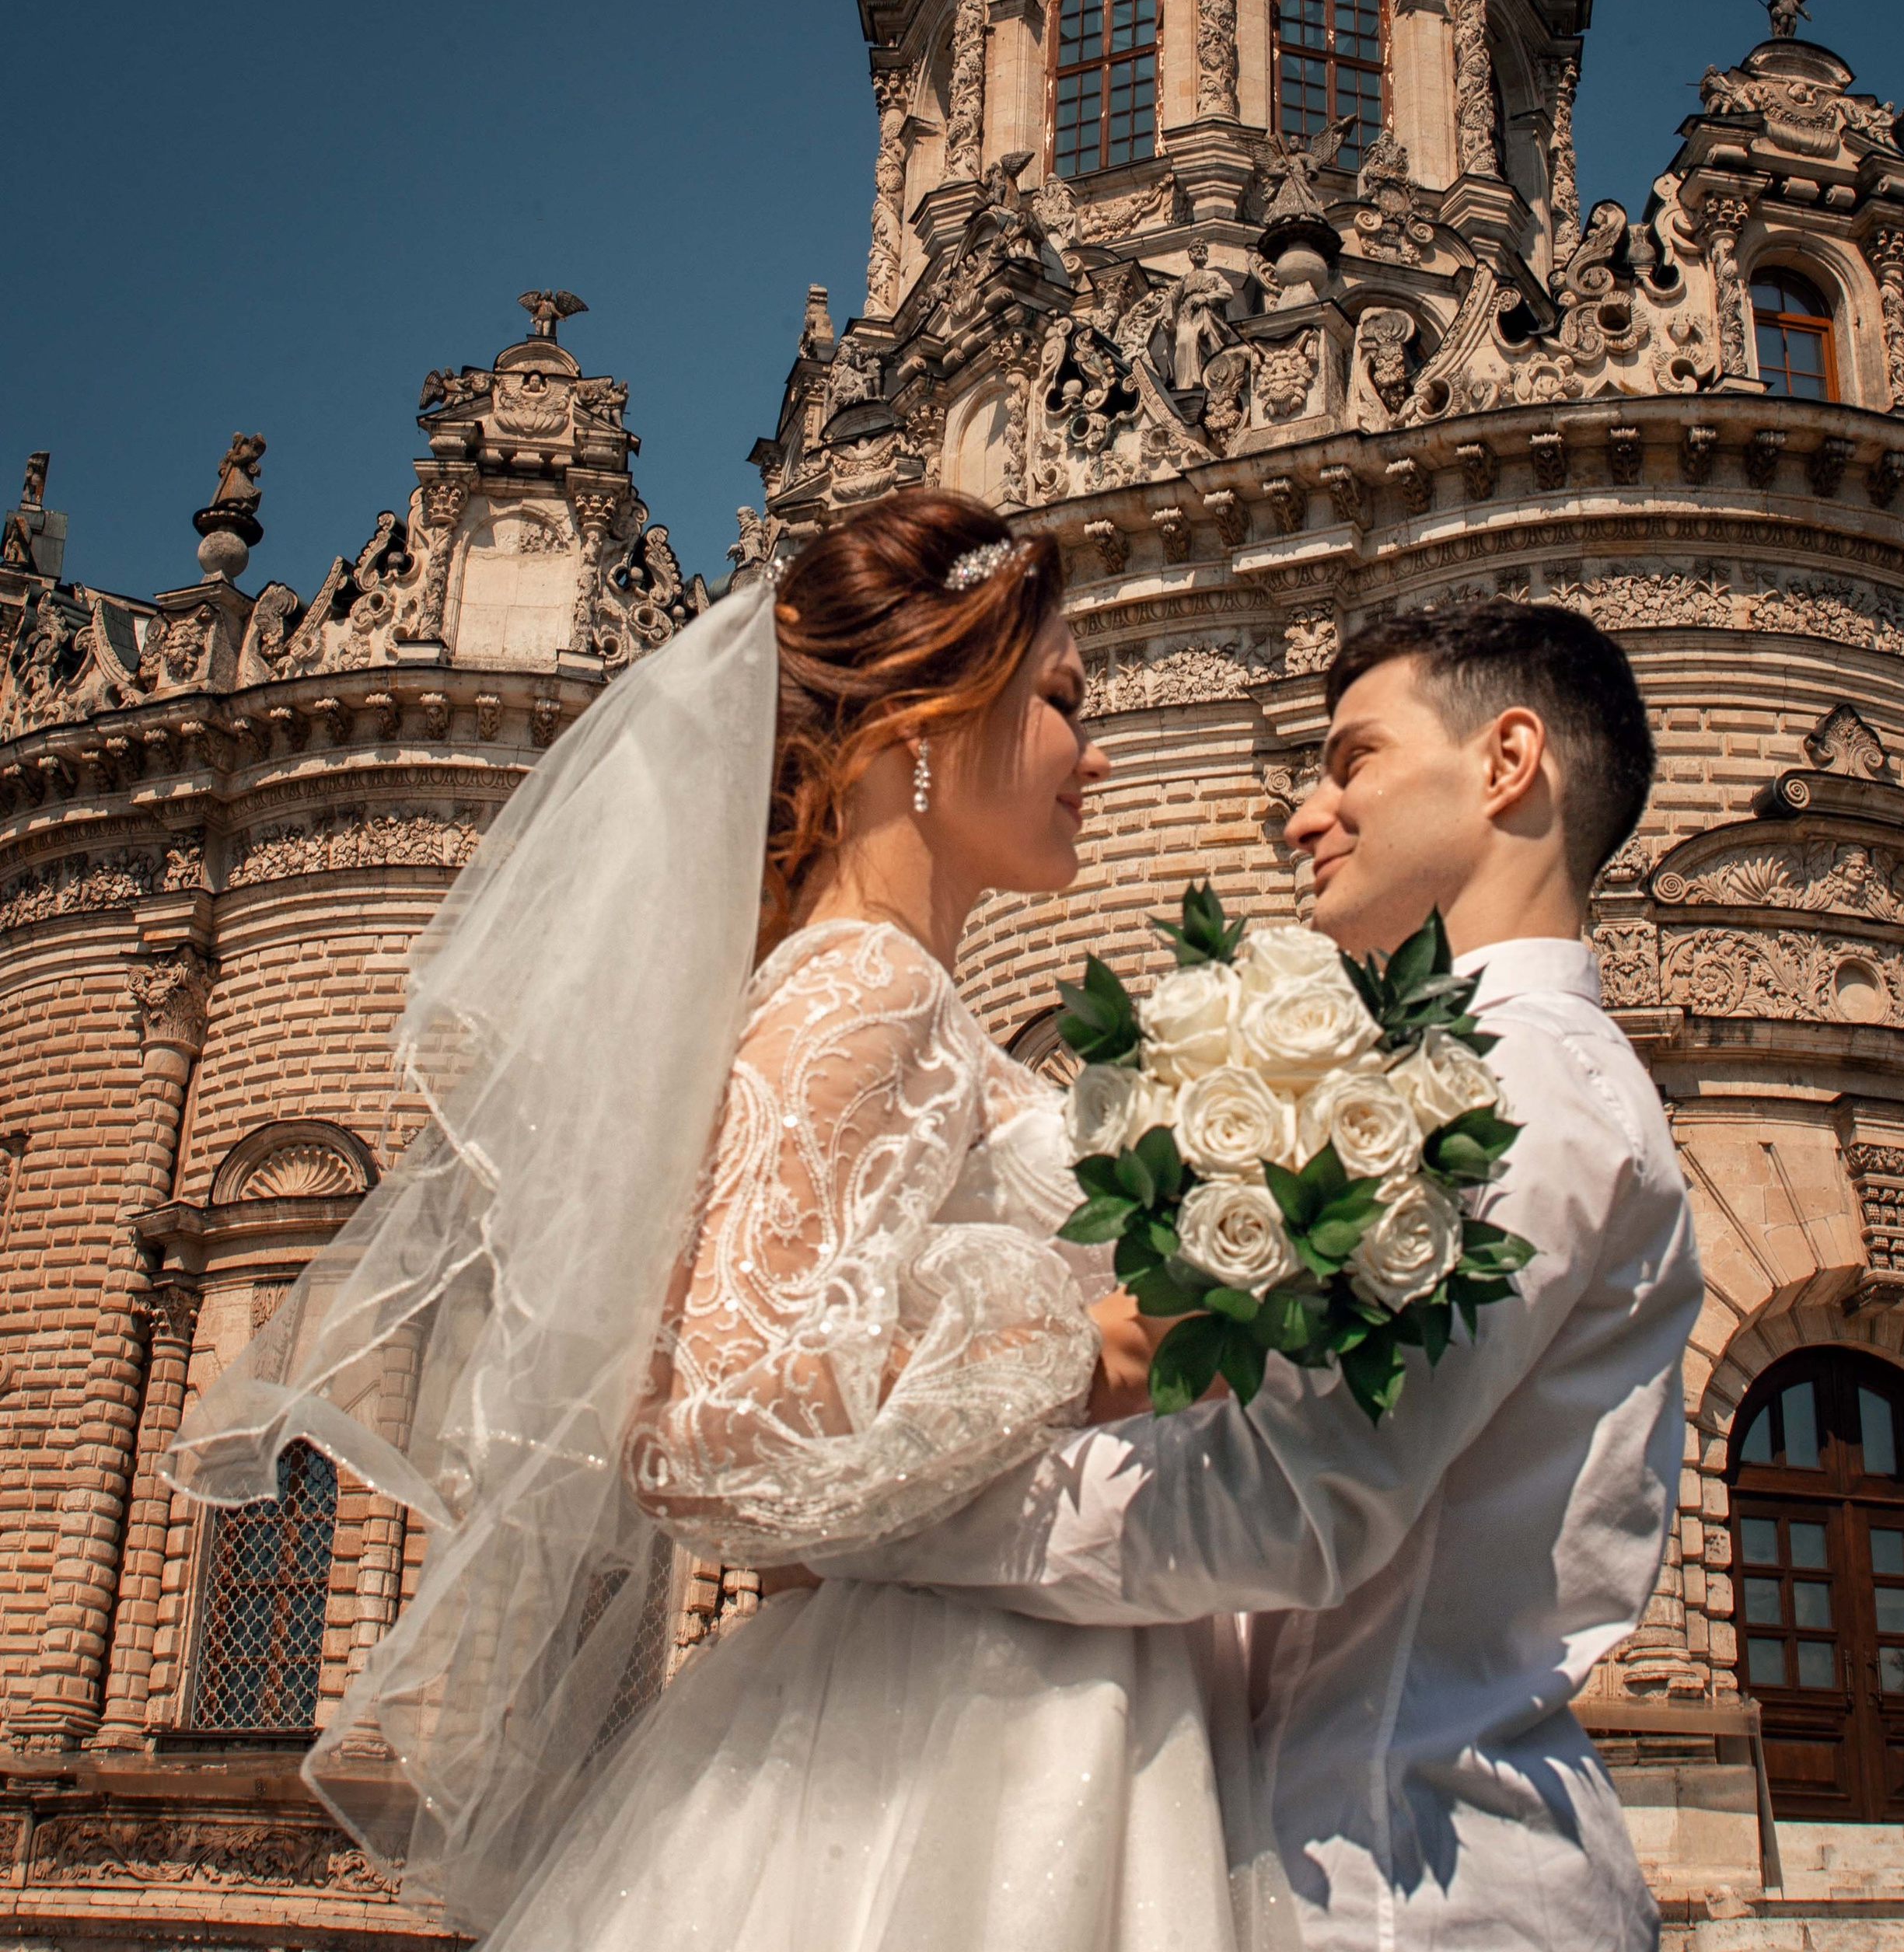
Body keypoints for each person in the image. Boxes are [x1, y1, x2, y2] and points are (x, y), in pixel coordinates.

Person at [165, 492, 1291, 1952]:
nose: (1097, 750)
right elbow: (711, 1431)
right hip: (951, 1741)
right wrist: (1105, 1347)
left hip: (986, 1697)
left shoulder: (885, 993)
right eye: (1063, 700)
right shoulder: (862, 989)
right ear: (923, 722)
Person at [830, 600, 1703, 1952]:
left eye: (1353, 761)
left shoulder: (1523, 1083)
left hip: (1411, 1884)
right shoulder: (1471, 1069)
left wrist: (884, 1518)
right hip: (1339, 1842)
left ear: (1507, 762)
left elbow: (1292, 1504)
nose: (1303, 817)